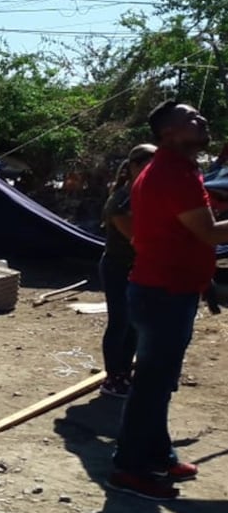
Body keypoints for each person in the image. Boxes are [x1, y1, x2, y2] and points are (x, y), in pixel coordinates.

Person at [111, 100, 228, 500]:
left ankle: (158, 453)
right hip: (164, 293)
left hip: (167, 289)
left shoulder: (177, 169)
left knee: (158, 382)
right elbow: (211, 234)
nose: (202, 119)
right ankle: (130, 467)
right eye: (191, 118)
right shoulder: (172, 174)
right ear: (169, 133)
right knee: (151, 385)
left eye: (201, 114)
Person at [99, 144, 156, 398]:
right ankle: (114, 377)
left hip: (140, 268)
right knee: (120, 321)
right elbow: (137, 238)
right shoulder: (121, 201)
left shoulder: (150, 195)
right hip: (118, 268)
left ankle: (125, 371)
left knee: (134, 323)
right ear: (135, 166)